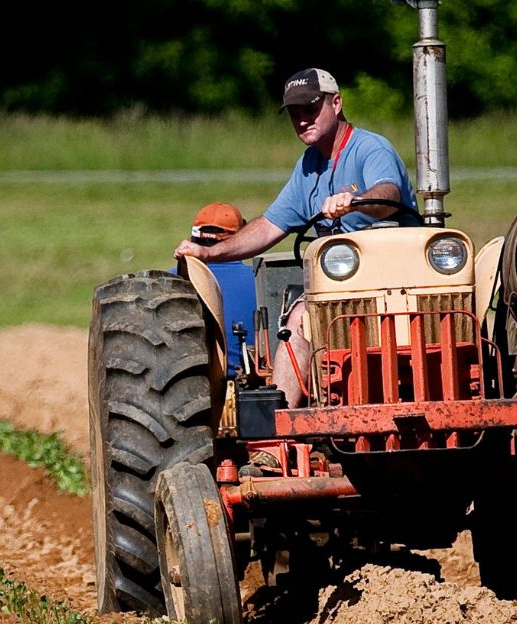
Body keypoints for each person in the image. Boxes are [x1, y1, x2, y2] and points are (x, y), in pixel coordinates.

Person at [174, 68, 416, 406]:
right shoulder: (309, 166)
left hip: (397, 281)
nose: (302, 120)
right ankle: (279, 433)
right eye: (295, 114)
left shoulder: (369, 148)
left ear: (337, 103)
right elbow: (270, 226)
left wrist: (356, 201)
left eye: (311, 110)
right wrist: (209, 253)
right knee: (297, 320)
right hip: (340, 288)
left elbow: (389, 194)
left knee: (304, 314)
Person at [171, 202, 258, 377]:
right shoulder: (260, 280)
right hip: (251, 383)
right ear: (241, 239)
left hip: (189, 383)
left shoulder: (171, 281)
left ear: (192, 237)